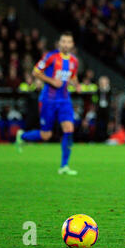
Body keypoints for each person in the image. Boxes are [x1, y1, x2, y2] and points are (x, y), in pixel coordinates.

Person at [15, 31, 80, 175]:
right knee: (46, 135)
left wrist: (77, 85)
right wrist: (51, 81)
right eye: (63, 41)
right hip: (48, 100)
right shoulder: (51, 57)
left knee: (69, 129)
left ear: (72, 44)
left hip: (64, 100)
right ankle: (22, 136)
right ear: (59, 43)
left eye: (68, 42)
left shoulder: (74, 61)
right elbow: (36, 71)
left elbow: (73, 76)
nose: (65, 44)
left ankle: (64, 166)